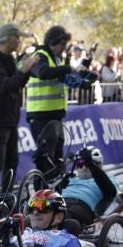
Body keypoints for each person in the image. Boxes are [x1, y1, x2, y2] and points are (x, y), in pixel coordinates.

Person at [0, 22, 36, 202]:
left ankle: (5, 199)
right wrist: (23, 69)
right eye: (18, 38)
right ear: (10, 39)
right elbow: (5, 86)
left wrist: (26, 70)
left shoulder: (8, 59)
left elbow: (17, 83)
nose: (20, 41)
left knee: (12, 163)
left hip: (10, 120)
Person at [24, 25, 76, 176]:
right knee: (45, 161)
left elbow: (62, 79)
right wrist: (68, 68)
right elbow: (43, 72)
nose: (64, 49)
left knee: (57, 160)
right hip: (41, 116)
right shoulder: (40, 55)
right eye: (62, 45)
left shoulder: (56, 59)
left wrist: (84, 80)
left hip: (56, 115)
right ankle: (41, 196)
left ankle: (55, 195)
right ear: (53, 42)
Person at [57, 146, 118, 228]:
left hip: (81, 206)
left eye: (88, 164)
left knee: (59, 217)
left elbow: (111, 192)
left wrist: (92, 167)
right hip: (60, 203)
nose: (84, 167)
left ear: (99, 164)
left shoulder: (109, 179)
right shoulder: (71, 178)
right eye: (80, 164)